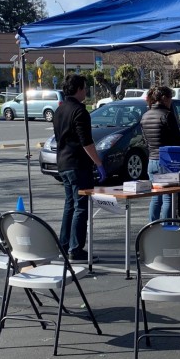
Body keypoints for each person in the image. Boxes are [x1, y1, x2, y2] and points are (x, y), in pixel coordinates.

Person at [53, 73, 107, 263]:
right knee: (80, 207)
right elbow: (86, 142)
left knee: (70, 205)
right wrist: (99, 163)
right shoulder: (80, 111)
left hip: (63, 163)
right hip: (77, 164)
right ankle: (76, 249)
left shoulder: (59, 110)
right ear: (78, 89)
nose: (86, 91)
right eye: (84, 88)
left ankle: (64, 245)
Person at [140, 86, 180, 221]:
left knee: (155, 198)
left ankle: (151, 227)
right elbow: (177, 140)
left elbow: (145, 140)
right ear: (164, 98)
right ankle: (167, 229)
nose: (171, 102)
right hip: (167, 162)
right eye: (170, 98)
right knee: (168, 198)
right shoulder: (167, 115)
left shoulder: (145, 116)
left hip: (152, 161)